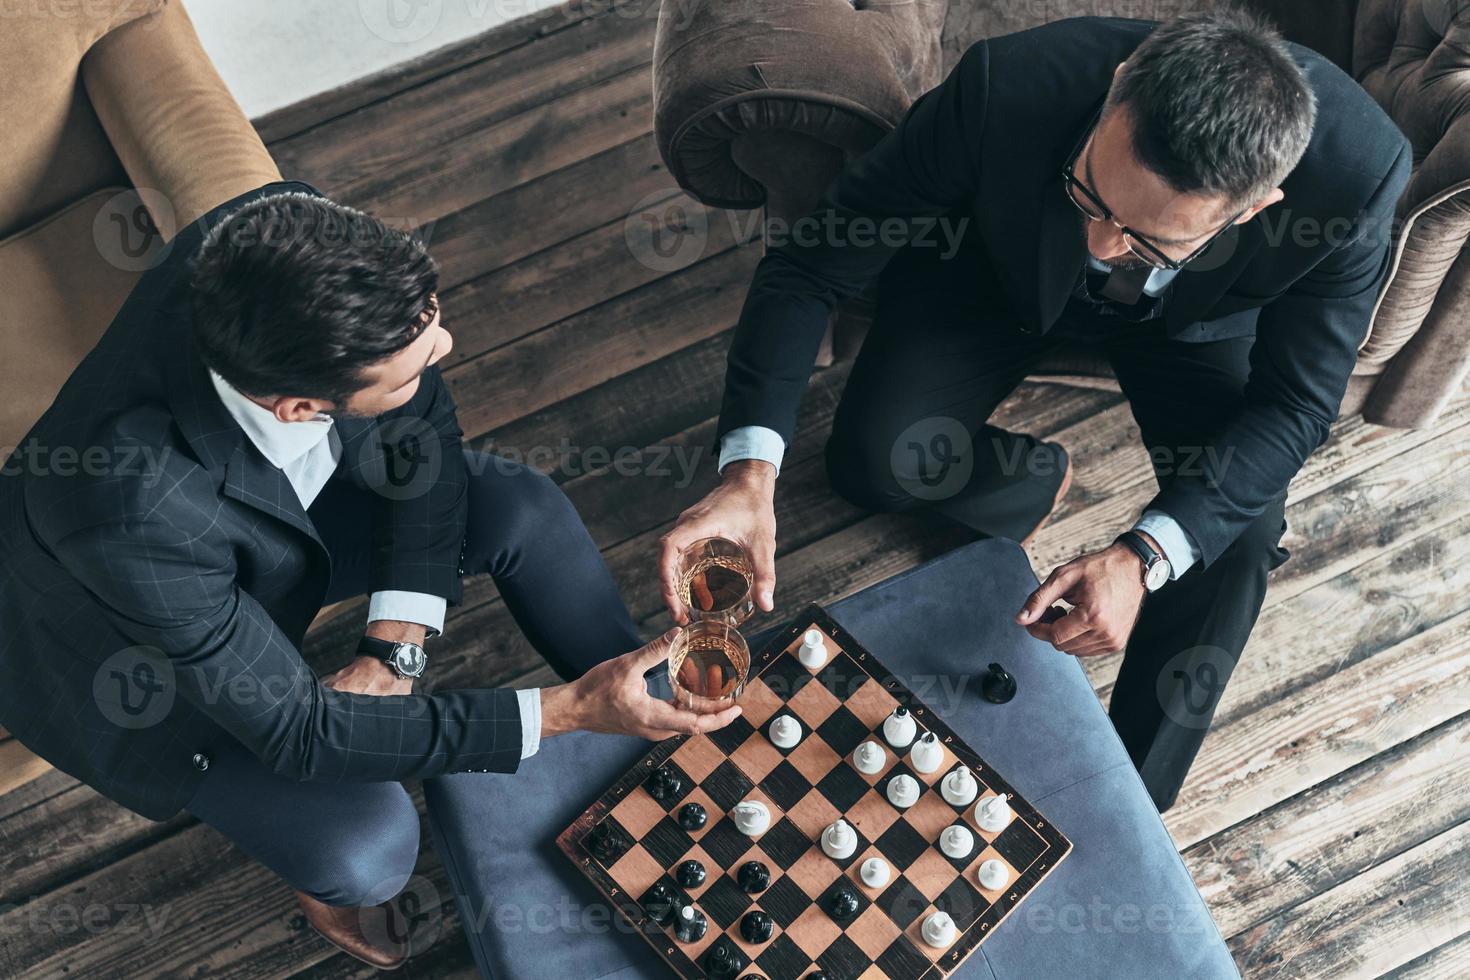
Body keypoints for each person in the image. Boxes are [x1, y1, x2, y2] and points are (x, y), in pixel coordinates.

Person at [659, 12, 1410, 812]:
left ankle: (1125, 809)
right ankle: (1028, 479)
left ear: (1254, 207)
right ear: (1120, 87)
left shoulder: (1356, 174)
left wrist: (1142, 557)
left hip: (1191, 332)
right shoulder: (1004, 86)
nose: (1100, 243)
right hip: (996, 280)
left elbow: (1295, 404)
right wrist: (746, 473)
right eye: (1088, 192)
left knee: (1241, 540)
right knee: (870, 463)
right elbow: (810, 265)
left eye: (1147, 242)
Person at [0, 184, 739, 969]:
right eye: (416, 361)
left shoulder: (279, 228)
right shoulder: (125, 507)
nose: (448, 346)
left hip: (277, 528)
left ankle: (656, 715)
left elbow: (423, 427)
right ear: (298, 406)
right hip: (124, 655)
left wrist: (394, 648)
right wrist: (566, 712)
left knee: (519, 508)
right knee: (367, 849)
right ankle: (336, 873)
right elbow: (300, 730)